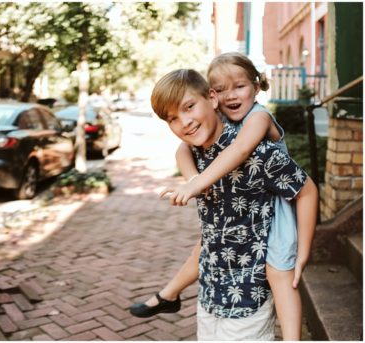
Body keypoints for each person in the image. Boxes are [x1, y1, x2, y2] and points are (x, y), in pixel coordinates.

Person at [131, 54, 315, 340]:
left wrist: (303, 249)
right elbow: (182, 149)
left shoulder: (257, 147)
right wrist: (194, 179)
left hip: (246, 301)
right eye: (173, 118)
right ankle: (169, 294)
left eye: (189, 107)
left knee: (280, 271)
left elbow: (305, 189)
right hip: (210, 297)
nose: (185, 122)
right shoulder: (197, 151)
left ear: (210, 99)